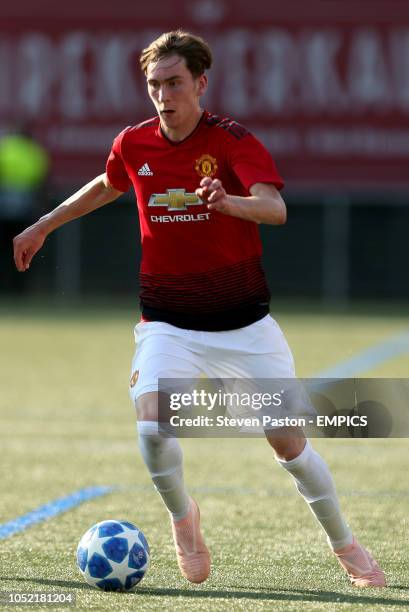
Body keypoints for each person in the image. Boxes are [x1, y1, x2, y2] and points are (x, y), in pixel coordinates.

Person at [13, 30, 385, 588]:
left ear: (200, 83)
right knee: (153, 426)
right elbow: (107, 184)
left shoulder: (232, 140)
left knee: (288, 442)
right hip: (168, 323)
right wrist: (44, 224)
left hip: (246, 326)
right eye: (154, 84)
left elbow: (276, 208)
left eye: (174, 83)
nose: (164, 95)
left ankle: (346, 544)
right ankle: (184, 520)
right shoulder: (134, 143)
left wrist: (228, 201)